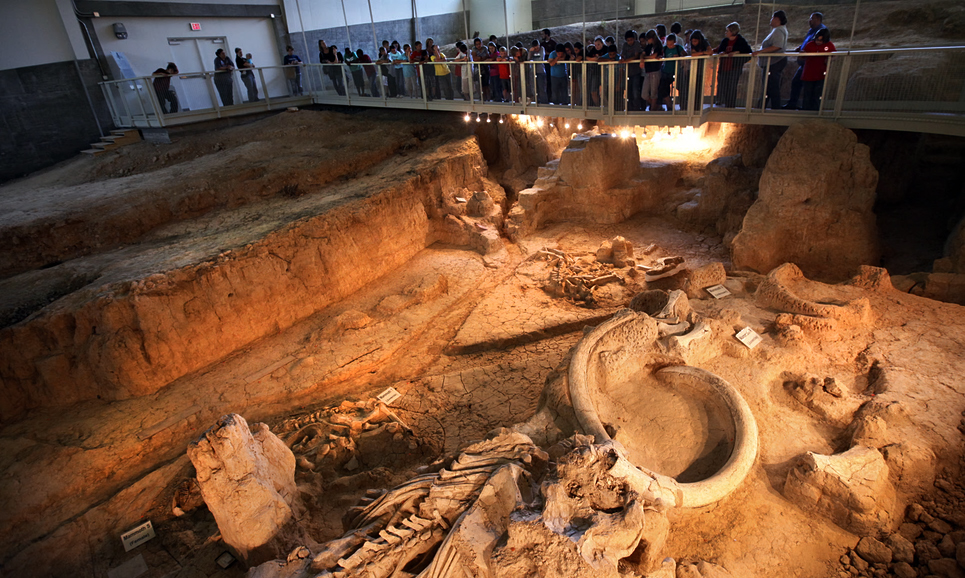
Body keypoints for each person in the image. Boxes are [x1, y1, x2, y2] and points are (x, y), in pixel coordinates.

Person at [784, 12, 827, 109]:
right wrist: (801, 47)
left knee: (809, 87)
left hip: (812, 65)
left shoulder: (821, 31)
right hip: (805, 63)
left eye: (811, 18)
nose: (809, 20)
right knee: (796, 82)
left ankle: (807, 107)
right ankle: (793, 104)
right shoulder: (811, 30)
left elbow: (820, 45)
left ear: (817, 19)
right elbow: (808, 42)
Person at [752, 10, 789, 109]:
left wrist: (760, 52)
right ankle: (762, 106)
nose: (771, 20)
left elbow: (777, 46)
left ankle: (774, 107)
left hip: (774, 63)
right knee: (769, 86)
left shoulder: (778, 31)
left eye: (772, 18)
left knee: (772, 86)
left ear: (777, 19)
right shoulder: (779, 30)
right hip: (772, 62)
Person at [714, 23, 752, 107]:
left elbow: (747, 51)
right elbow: (720, 50)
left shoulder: (741, 41)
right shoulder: (725, 41)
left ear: (732, 31)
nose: (726, 32)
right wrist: (722, 52)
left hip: (734, 67)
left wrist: (737, 52)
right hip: (724, 67)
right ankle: (720, 100)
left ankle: (730, 104)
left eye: (727, 31)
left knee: (731, 86)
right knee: (722, 84)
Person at [801, 28, 835, 110]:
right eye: (817, 40)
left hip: (821, 74)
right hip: (809, 74)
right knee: (807, 94)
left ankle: (816, 112)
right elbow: (802, 56)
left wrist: (829, 59)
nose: (818, 42)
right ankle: (805, 112)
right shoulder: (810, 45)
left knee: (817, 95)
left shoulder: (829, 45)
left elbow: (834, 55)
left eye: (821, 41)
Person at [683, 30, 714, 111]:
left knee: (698, 88)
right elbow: (693, 54)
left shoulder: (705, 42)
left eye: (695, 41)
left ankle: (697, 107)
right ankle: (689, 106)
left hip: (700, 69)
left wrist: (700, 53)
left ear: (699, 40)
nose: (693, 43)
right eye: (692, 41)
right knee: (690, 88)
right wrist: (704, 53)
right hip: (692, 69)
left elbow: (710, 51)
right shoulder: (692, 45)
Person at [660, 33, 686, 110]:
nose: (669, 46)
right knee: (663, 88)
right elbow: (661, 55)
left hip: (676, 71)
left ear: (674, 42)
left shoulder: (679, 48)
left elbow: (686, 55)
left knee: (680, 87)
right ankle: (669, 105)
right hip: (666, 71)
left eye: (671, 44)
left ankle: (682, 106)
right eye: (668, 44)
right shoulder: (664, 48)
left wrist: (679, 56)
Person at [639, 30, 663, 111]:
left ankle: (653, 109)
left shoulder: (658, 45)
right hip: (648, 71)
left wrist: (645, 58)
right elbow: (643, 53)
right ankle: (655, 106)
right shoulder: (649, 46)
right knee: (644, 94)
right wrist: (643, 59)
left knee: (654, 92)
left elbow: (654, 55)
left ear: (652, 38)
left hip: (655, 71)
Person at [621, 30, 643, 111]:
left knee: (635, 91)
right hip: (628, 72)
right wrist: (623, 58)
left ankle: (636, 108)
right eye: (628, 40)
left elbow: (636, 56)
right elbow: (622, 54)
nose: (630, 42)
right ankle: (629, 108)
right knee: (629, 91)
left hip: (636, 71)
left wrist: (627, 60)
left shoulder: (637, 44)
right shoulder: (625, 45)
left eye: (631, 40)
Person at [586, 36, 606, 107]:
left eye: (598, 44)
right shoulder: (593, 50)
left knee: (605, 92)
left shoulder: (606, 49)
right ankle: (597, 106)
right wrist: (595, 59)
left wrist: (599, 59)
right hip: (595, 73)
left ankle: (606, 107)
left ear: (602, 44)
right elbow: (587, 57)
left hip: (605, 73)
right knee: (593, 91)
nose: (597, 46)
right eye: (595, 45)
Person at [540, 28, 557, 102]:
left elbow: (556, 53)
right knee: (545, 82)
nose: (542, 35)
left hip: (552, 66)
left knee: (551, 81)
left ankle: (552, 98)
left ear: (546, 34)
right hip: (544, 65)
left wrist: (548, 54)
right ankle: (546, 98)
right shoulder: (542, 44)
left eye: (543, 34)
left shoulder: (553, 43)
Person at [471, 37, 490, 102]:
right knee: (479, 84)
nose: (478, 45)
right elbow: (474, 59)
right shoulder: (474, 49)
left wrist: (480, 58)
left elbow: (487, 56)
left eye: (479, 44)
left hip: (485, 68)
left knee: (486, 84)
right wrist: (482, 58)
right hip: (478, 68)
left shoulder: (485, 48)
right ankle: (482, 97)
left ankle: (488, 98)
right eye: (477, 44)